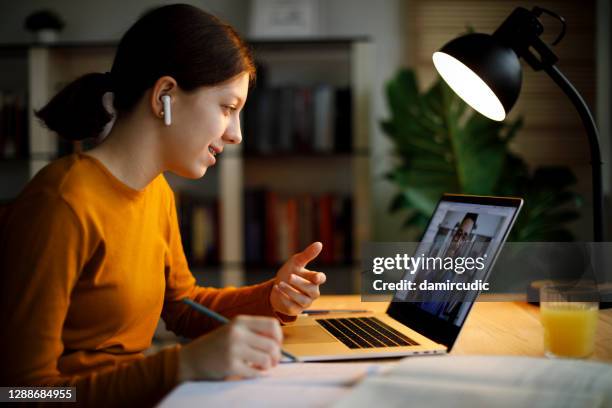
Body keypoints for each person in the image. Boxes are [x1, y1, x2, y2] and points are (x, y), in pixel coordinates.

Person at [0, 4, 327, 406]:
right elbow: (19, 393)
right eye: (227, 108)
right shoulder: (61, 203)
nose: (236, 135)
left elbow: (183, 306)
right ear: (165, 96)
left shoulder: (156, 192)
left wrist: (271, 298)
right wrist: (179, 367)